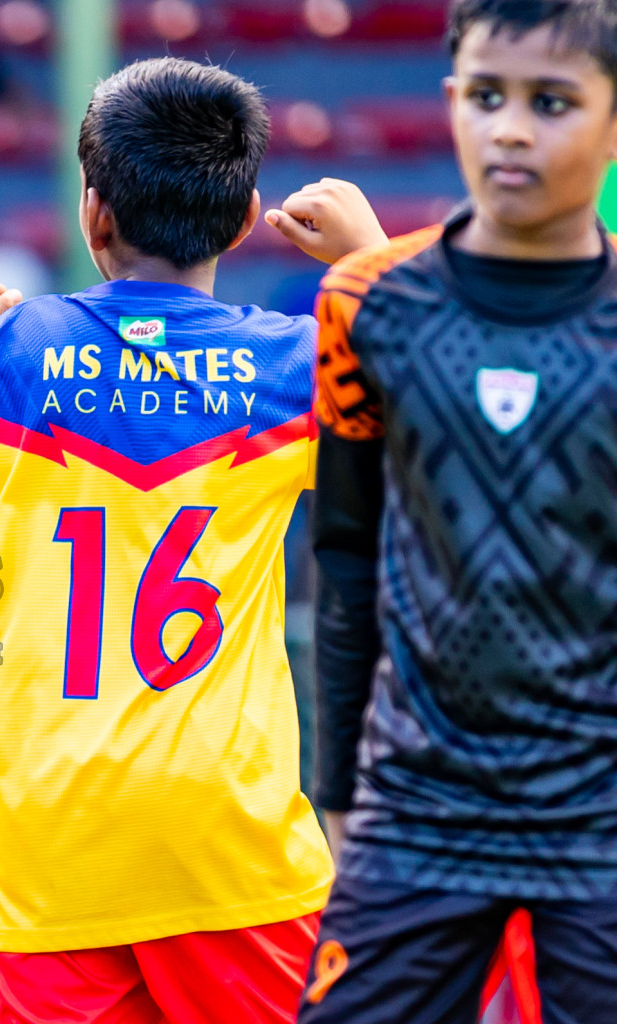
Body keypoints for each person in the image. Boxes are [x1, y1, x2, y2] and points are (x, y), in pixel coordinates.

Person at [0, 59, 385, 1023]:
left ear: (93, 215)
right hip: (232, 845)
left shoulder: (15, 353)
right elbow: (440, 431)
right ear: (246, 210)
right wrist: (370, 266)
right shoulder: (289, 364)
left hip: (52, 854)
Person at [295, 0, 617, 1019]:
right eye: (486, 97)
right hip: (418, 809)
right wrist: (341, 796)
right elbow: (345, 558)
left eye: (552, 101)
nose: (511, 128)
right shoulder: (365, 302)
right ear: (450, 103)